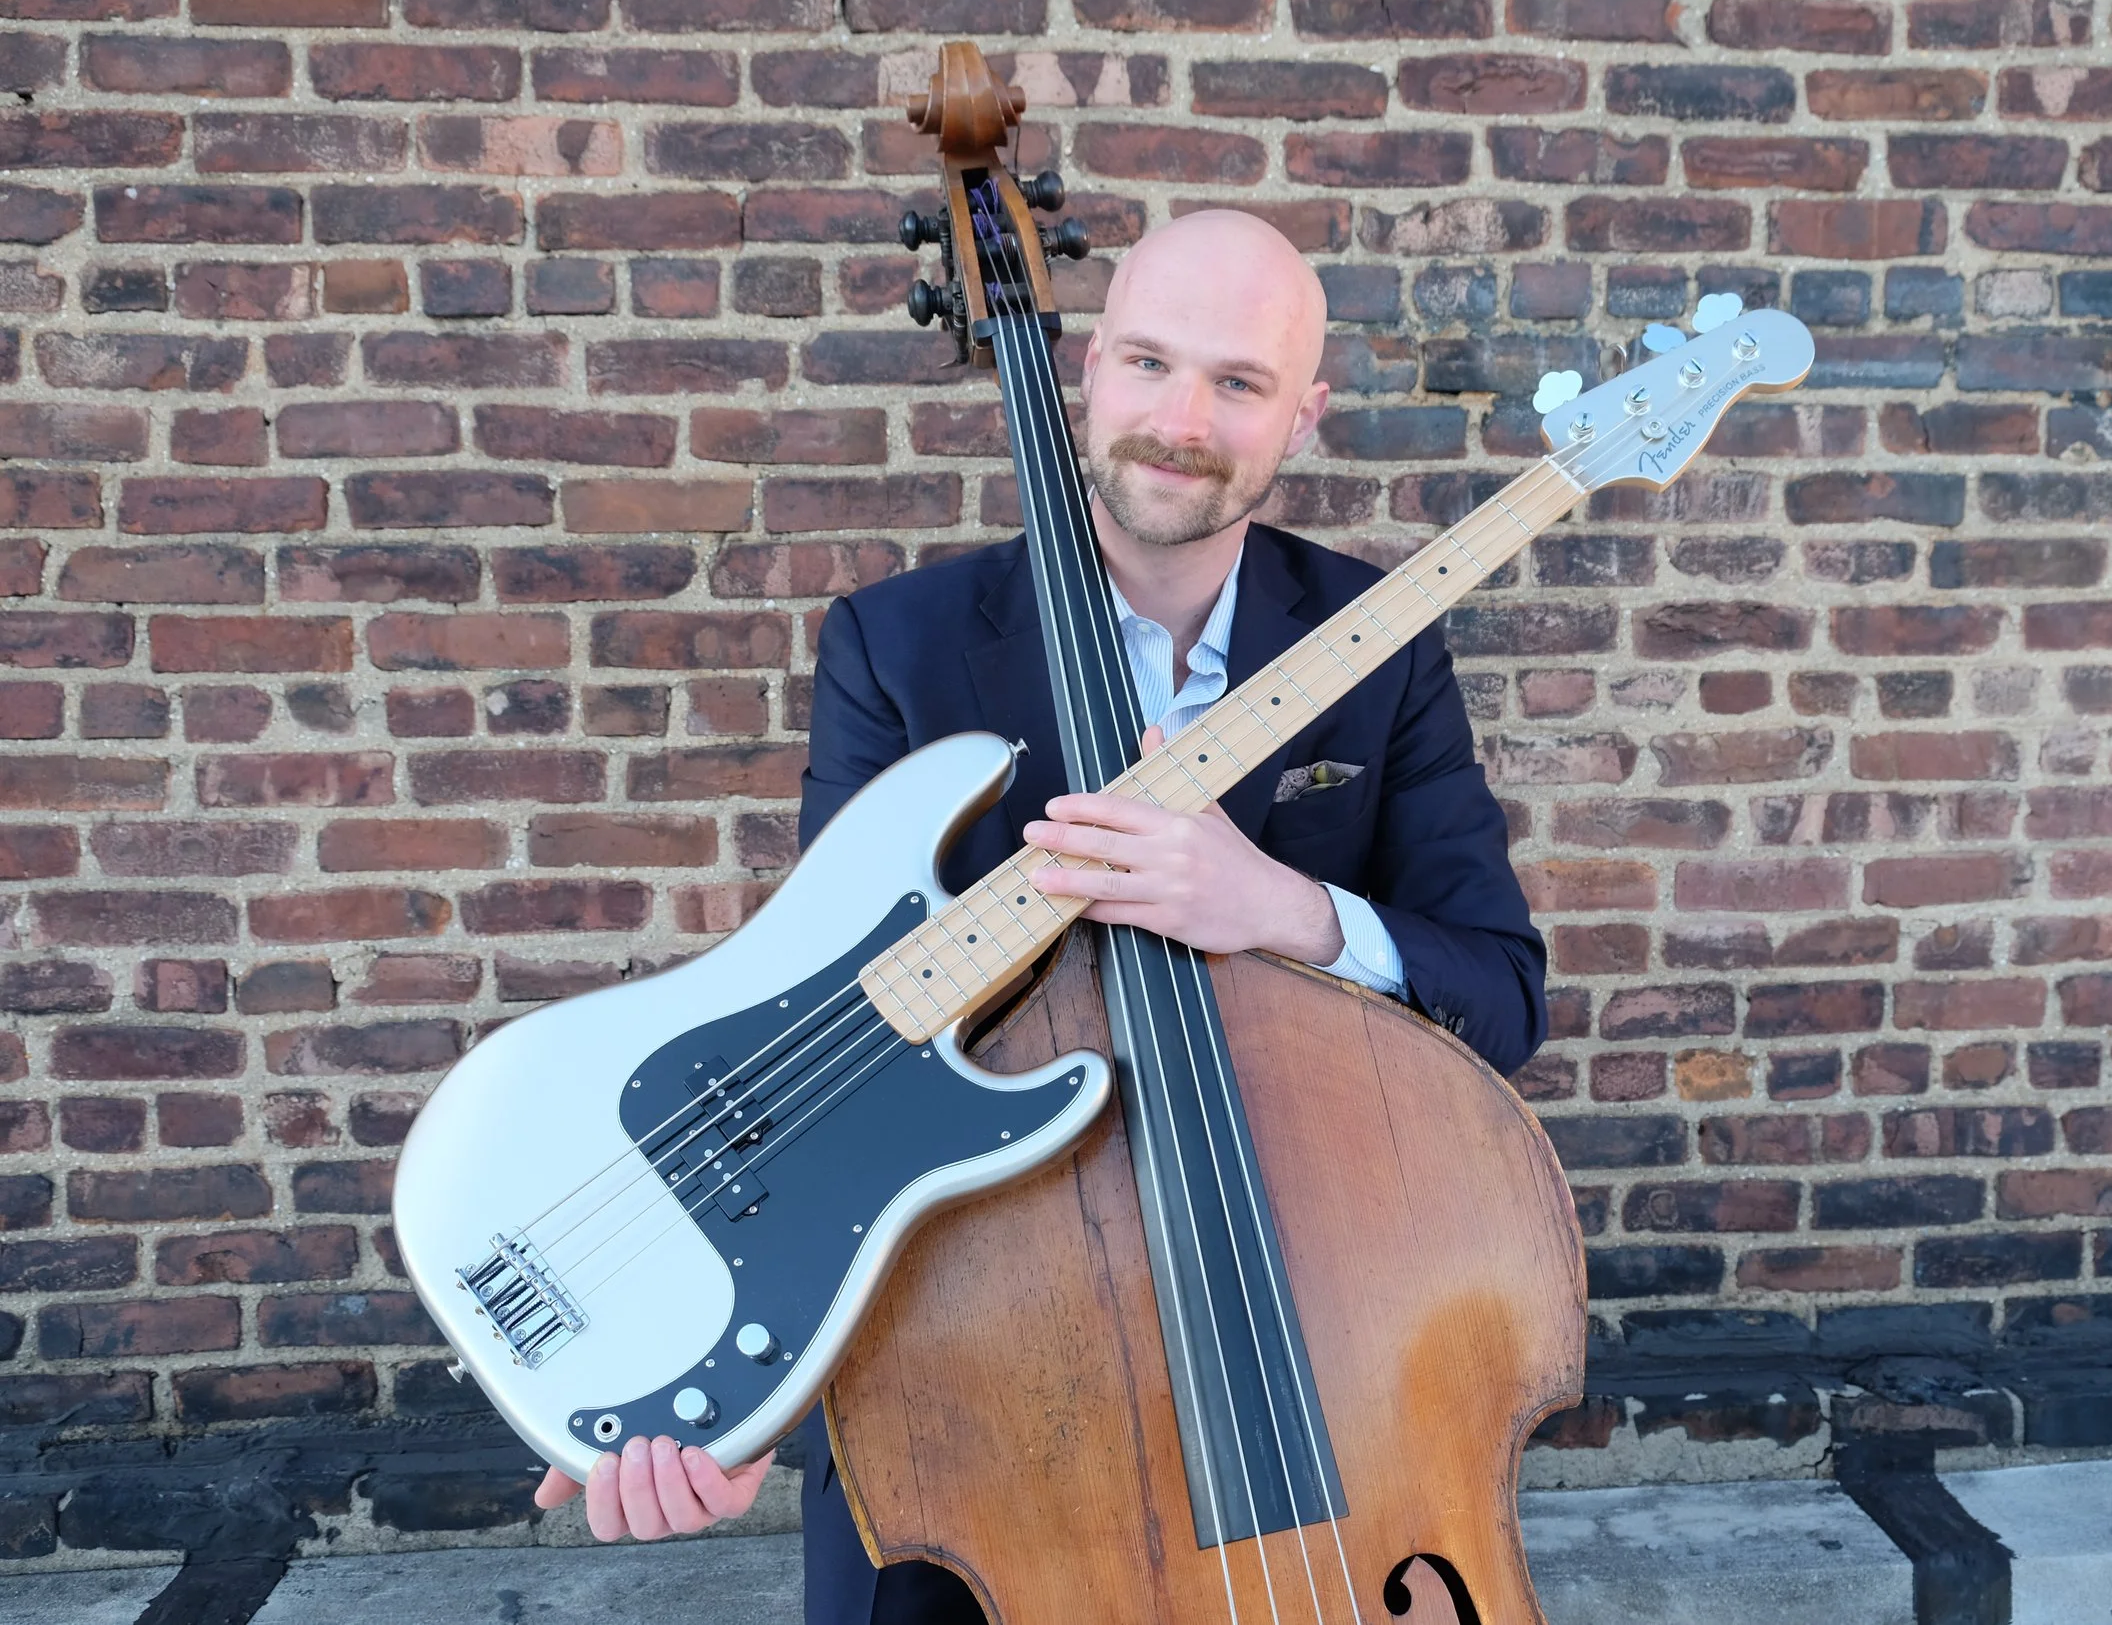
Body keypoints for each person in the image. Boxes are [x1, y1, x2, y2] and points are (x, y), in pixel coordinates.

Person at [533, 210, 1549, 1623]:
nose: (1180, 420)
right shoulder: (901, 647)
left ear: (1304, 414)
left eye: (1239, 383)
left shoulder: (1374, 641)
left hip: (1317, 1359)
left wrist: (1279, 906)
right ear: (1086, 369)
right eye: (1147, 362)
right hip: (981, 1354)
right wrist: (741, 1399)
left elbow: (1497, 1000)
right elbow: (838, 1055)